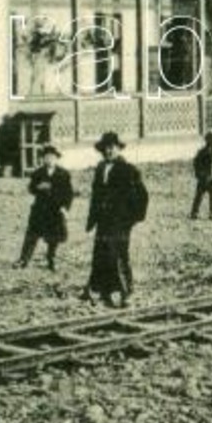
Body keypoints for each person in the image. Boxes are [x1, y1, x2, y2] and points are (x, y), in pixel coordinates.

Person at [82, 131, 148, 307]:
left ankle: (127, 292)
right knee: (101, 255)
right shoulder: (100, 168)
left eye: (112, 148)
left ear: (118, 149)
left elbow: (142, 196)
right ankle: (105, 292)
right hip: (103, 221)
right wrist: (92, 219)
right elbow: (96, 196)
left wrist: (132, 219)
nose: (108, 151)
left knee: (118, 254)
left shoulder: (128, 170)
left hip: (120, 222)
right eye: (105, 149)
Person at [18, 145, 74, 269]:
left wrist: (65, 207)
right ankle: (24, 259)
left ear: (56, 159)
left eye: (52, 157)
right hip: (40, 209)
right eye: (47, 157)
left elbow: (69, 193)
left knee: (53, 236)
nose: (49, 159)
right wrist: (38, 187)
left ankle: (51, 259)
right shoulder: (38, 173)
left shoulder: (63, 174)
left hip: (55, 210)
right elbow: (31, 188)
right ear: (43, 159)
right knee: (32, 234)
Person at [189, 132, 212, 220]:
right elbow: (196, 163)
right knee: (199, 195)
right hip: (203, 178)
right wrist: (199, 174)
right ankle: (194, 212)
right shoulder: (202, 152)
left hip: (211, 178)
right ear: (207, 141)